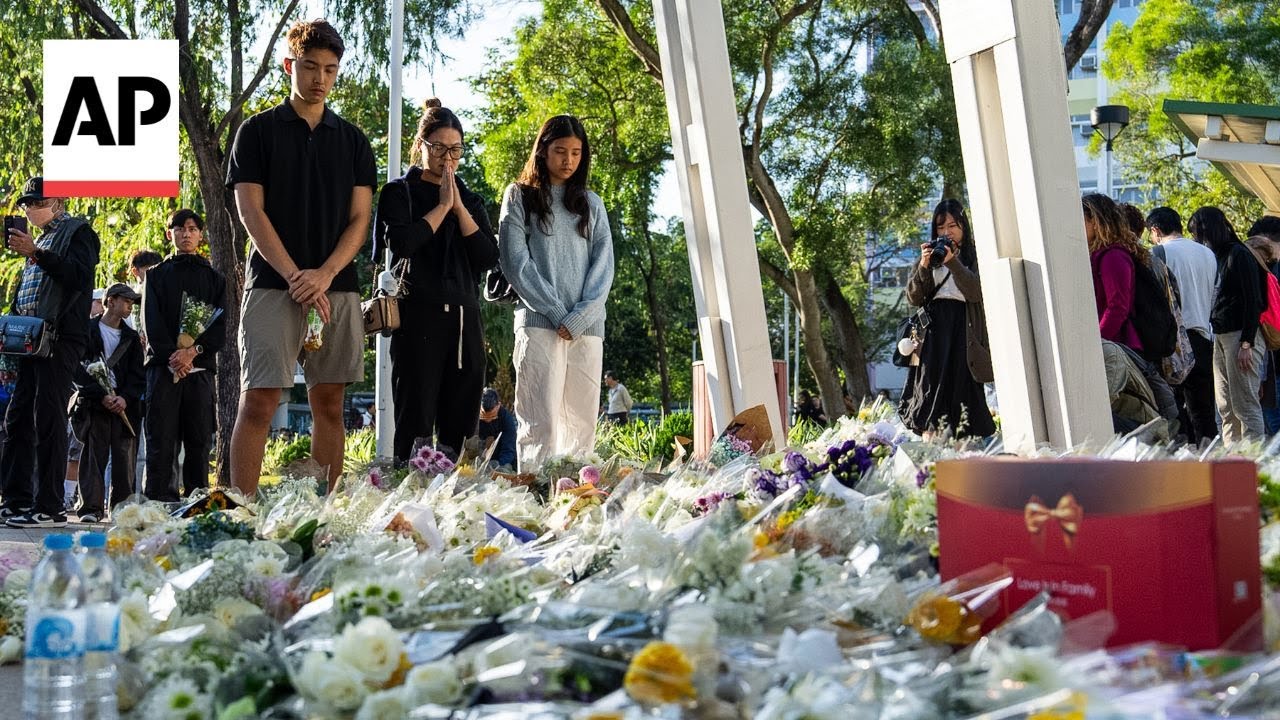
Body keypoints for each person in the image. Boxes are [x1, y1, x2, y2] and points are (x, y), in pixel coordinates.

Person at [226, 19, 377, 494]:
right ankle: (241, 516)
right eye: (310, 67)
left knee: (330, 404)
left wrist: (326, 274)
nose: (319, 78)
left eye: (330, 70)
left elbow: (360, 220)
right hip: (274, 285)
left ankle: (323, 516)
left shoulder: (354, 141)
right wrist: (296, 276)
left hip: (338, 287)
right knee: (260, 401)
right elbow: (250, 210)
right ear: (290, 65)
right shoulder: (257, 131)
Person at [373, 98, 498, 461]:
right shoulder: (401, 191)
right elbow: (401, 243)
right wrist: (441, 207)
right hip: (417, 316)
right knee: (415, 419)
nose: (448, 158)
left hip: (464, 320)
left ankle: (455, 502)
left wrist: (457, 207)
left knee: (460, 423)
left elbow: (488, 257)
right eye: (439, 148)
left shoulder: (470, 199)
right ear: (421, 145)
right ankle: (408, 498)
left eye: (455, 150)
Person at [498, 115, 615, 471]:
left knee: (581, 426)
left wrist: (579, 317)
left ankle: (577, 502)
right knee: (539, 422)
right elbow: (515, 262)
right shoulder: (520, 197)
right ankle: (534, 502)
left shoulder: (591, 203)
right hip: (539, 324)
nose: (568, 160)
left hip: (586, 328)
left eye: (576, 153)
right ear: (543, 151)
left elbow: (604, 265)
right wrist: (555, 311)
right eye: (560, 151)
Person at [0, 177, 100, 528]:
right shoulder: (38, 240)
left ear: (58, 200)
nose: (30, 208)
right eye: (26, 203)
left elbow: (79, 276)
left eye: (36, 201)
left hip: (59, 339)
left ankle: (50, 506)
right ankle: (15, 500)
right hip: (28, 342)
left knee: (49, 417)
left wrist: (37, 254)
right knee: (17, 419)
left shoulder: (78, 232)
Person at [141, 209, 226, 502]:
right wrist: (173, 357)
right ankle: (156, 504)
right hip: (163, 371)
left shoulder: (215, 279)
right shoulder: (155, 276)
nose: (186, 234)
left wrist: (193, 352)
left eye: (192, 229)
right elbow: (151, 323)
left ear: (200, 235)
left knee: (199, 441)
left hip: (200, 372)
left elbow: (219, 328)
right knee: (161, 442)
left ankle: (196, 502)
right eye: (179, 229)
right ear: (170, 235)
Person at [898, 199, 994, 439]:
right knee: (930, 394)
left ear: (963, 227)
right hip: (933, 335)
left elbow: (975, 292)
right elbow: (913, 297)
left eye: (952, 226)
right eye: (941, 227)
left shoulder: (975, 255)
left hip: (964, 331)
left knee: (962, 392)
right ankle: (932, 460)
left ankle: (963, 456)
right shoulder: (931, 256)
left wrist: (953, 261)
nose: (946, 232)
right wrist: (923, 266)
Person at [1083, 193, 1179, 431]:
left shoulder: (1113, 256)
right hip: (1113, 345)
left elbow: (1118, 306)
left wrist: (1098, 342)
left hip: (1119, 347)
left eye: (1081, 220)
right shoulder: (1102, 254)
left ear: (1095, 221)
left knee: (1118, 414)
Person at [1190, 206, 1267, 441]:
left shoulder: (1238, 254)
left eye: (1197, 233)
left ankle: (1255, 465)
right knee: (1225, 407)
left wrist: (1247, 343)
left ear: (1208, 230)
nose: (1196, 239)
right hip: (1222, 335)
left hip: (1241, 335)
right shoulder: (1219, 256)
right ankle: (1231, 463)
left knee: (1245, 405)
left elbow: (1253, 300)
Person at [71, 283, 145, 522]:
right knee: (93, 457)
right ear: (110, 301)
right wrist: (99, 395)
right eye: (126, 301)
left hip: (124, 408)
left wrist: (125, 398)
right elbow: (77, 370)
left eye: (132, 303)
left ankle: (122, 511)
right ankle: (90, 509)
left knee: (125, 462)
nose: (130, 306)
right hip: (95, 405)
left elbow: (138, 375)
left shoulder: (132, 338)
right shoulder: (86, 331)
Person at [1147, 206, 1218, 444]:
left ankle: (1185, 462)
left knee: (1174, 407)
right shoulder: (1207, 253)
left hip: (1174, 340)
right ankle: (1210, 458)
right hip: (1203, 336)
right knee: (1203, 407)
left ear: (1155, 230)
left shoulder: (1158, 252)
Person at [477, 387, 517, 470]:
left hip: (499, 462)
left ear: (498, 405)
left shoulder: (506, 419)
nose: (488, 420)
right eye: (484, 416)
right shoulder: (474, 415)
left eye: (492, 416)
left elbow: (508, 449)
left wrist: (498, 467)